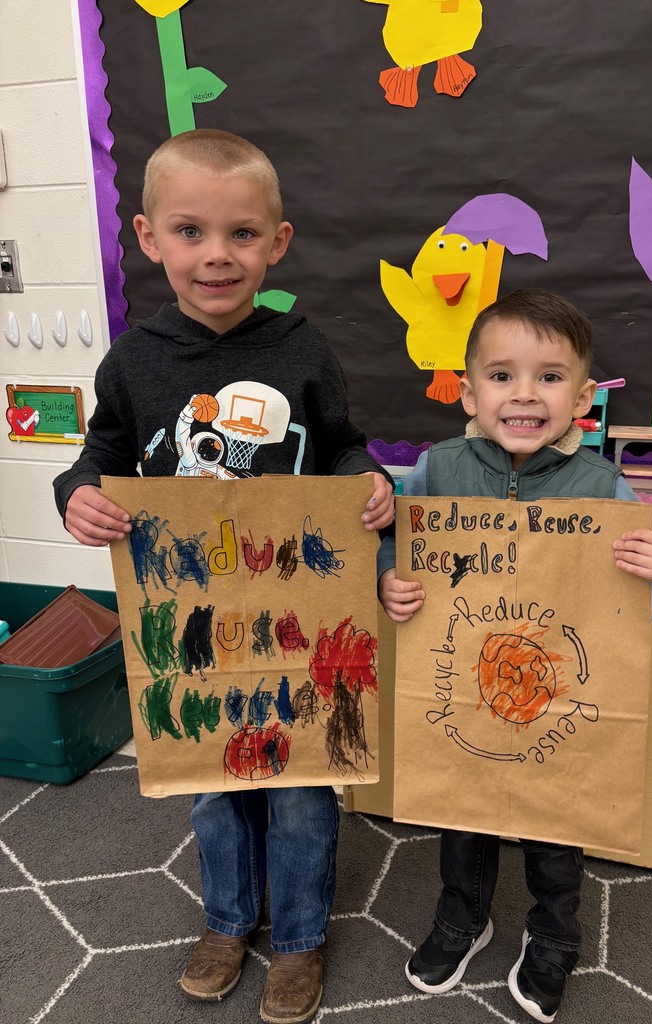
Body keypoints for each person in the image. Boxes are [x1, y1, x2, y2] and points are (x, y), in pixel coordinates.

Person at [53, 128, 394, 1023]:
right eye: (191, 231)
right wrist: (79, 494)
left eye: (242, 234)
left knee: (299, 789)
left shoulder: (303, 348)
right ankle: (228, 920)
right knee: (214, 784)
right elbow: (101, 457)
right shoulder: (134, 360)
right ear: (147, 237)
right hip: (194, 626)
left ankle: (299, 940)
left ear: (276, 244)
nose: (217, 255)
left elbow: (345, 442)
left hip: (299, 615)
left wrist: (369, 479)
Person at [377, 288, 652, 1023]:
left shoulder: (604, 487)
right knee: (461, 816)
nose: (524, 394)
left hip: (554, 698)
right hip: (465, 690)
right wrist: (387, 580)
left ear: (583, 397)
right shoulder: (437, 470)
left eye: (550, 377)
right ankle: (463, 919)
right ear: (468, 388)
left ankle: (553, 935)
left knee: (559, 823)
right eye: (501, 375)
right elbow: (397, 551)